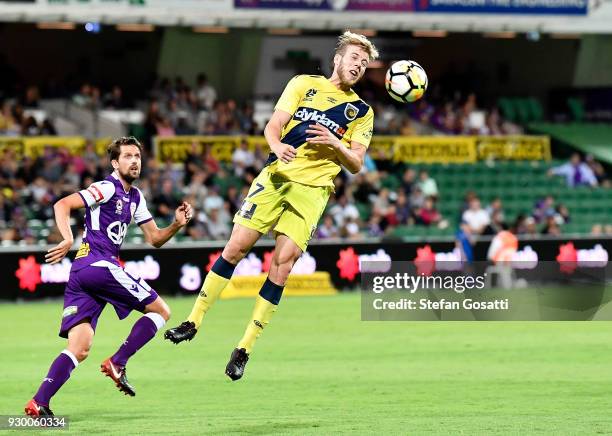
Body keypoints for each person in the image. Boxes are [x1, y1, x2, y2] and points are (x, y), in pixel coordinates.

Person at [165, 31, 378, 381]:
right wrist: (277, 146)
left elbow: (356, 164)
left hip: (312, 191)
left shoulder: (362, 112)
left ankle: (244, 347)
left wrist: (336, 144)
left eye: (365, 63)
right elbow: (273, 125)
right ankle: (193, 321)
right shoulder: (303, 84)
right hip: (277, 176)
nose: (359, 65)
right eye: (354, 58)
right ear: (338, 58)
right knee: (235, 248)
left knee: (282, 265)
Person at [25, 137, 192, 417]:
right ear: (115, 163)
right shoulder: (106, 187)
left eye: (137, 156)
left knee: (79, 347)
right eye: (127, 156)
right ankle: (119, 361)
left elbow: (155, 239)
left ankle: (39, 403)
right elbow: (62, 204)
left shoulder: (136, 197)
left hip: (81, 273)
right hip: (96, 264)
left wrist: (175, 224)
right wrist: (67, 238)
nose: (135, 161)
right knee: (161, 311)